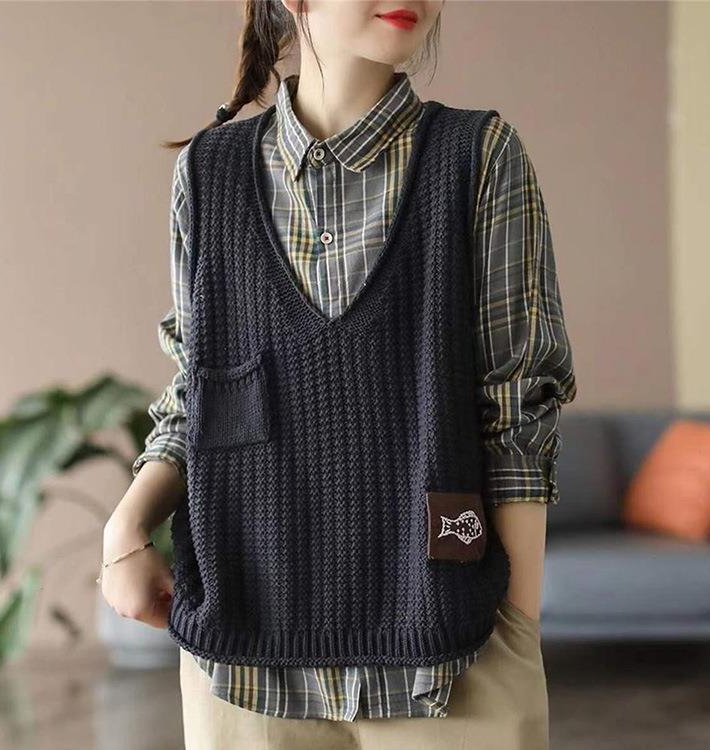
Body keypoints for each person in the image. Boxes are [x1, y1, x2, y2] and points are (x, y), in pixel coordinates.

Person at [99, 1, 577, 748]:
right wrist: (126, 525)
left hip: (454, 661)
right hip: (244, 668)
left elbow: (517, 412)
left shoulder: (477, 157)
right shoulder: (209, 172)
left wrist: (516, 628)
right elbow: (202, 390)